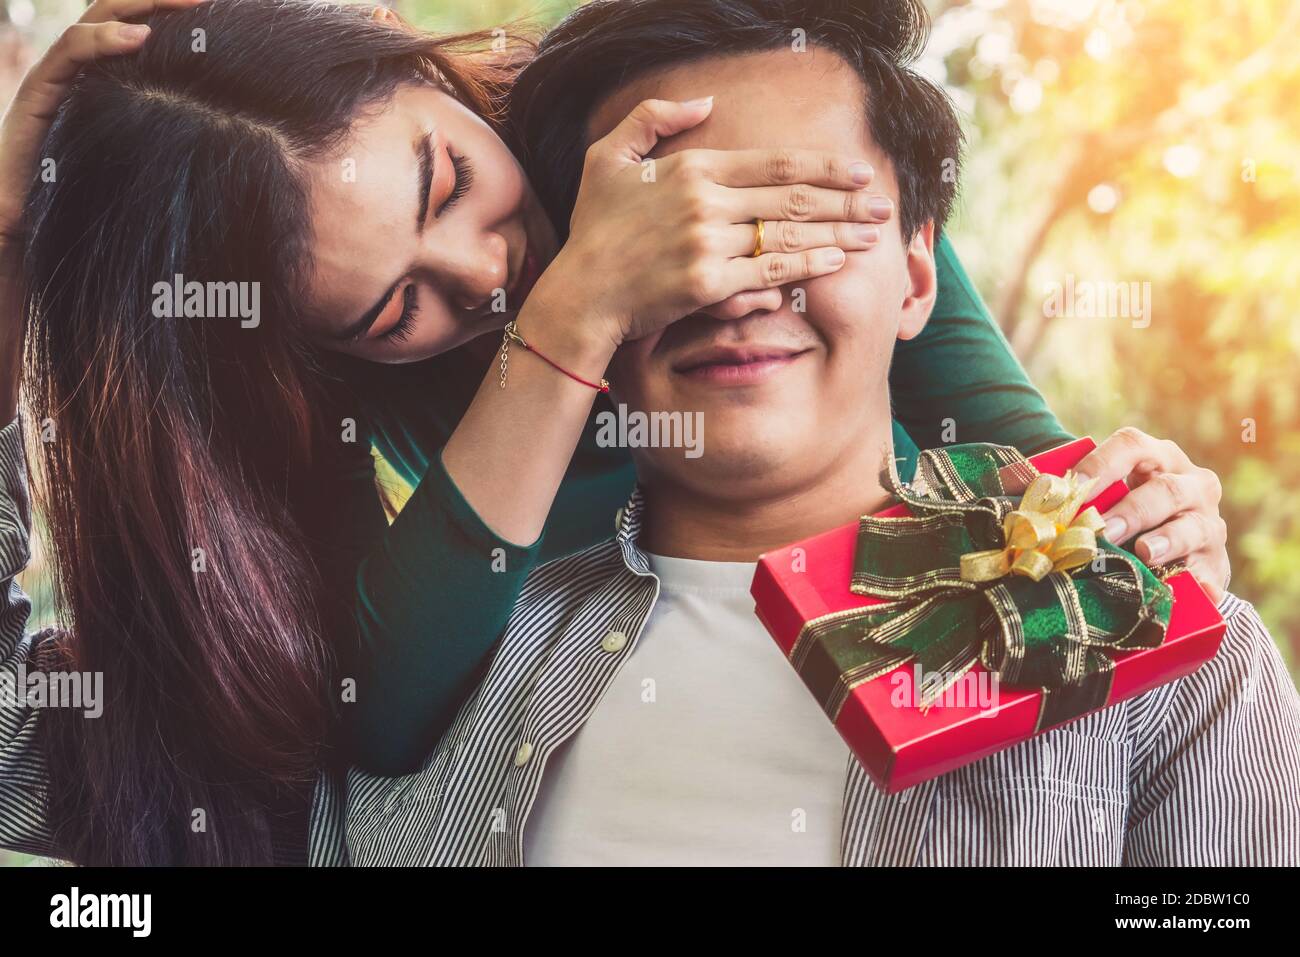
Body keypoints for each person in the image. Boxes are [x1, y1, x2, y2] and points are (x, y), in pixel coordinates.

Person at [0, 0, 1234, 865]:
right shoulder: (452, 617)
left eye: (446, 182)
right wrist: (10, 240)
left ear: (422, 70)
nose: (487, 273)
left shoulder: (697, 129)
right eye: (395, 308)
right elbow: (377, 713)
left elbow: (1038, 476)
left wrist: (1141, 507)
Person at [341, 0, 1300, 867]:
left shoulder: (1157, 654)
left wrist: (1107, 525)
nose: (735, 281)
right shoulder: (464, 679)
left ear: (918, 275)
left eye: (790, 218)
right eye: (672, 240)